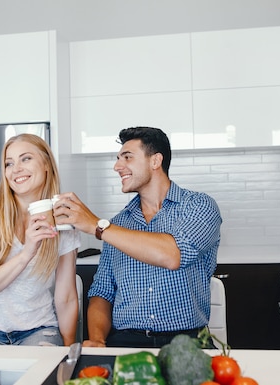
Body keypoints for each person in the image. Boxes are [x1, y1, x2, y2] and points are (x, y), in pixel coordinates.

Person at [53, 126, 222, 347]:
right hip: (125, 341)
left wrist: (96, 225)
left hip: (187, 341)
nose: (117, 166)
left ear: (155, 161)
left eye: (127, 157)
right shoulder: (118, 224)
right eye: (118, 158)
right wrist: (97, 339)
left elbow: (173, 255)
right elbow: (102, 292)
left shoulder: (199, 206)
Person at [0, 133, 80, 346]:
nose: (16, 169)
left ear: (46, 164)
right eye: (9, 163)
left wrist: (68, 354)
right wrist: (26, 253)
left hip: (39, 330)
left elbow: (66, 297)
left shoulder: (62, 220)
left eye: (26, 159)